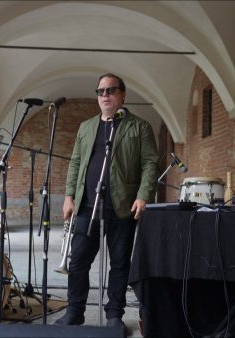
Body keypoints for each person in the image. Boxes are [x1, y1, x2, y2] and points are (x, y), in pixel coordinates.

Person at [54, 73, 158, 329]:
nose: (105, 95)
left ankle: (114, 316)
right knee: (78, 261)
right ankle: (75, 312)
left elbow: (150, 163)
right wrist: (69, 197)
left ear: (123, 95)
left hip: (122, 206)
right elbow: (76, 162)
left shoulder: (140, 127)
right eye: (100, 91)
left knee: (120, 263)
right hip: (87, 205)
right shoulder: (87, 127)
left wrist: (143, 195)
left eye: (111, 90)